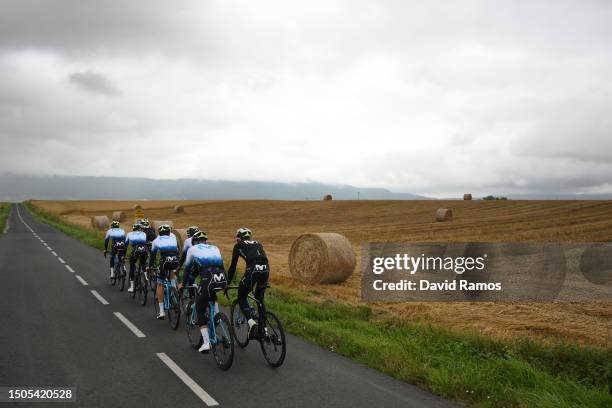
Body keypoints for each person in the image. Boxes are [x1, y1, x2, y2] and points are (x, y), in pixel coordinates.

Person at [180, 231, 227, 353]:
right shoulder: (214, 247)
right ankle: (217, 318)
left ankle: (206, 342)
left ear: (194, 241)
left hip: (208, 279)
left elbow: (187, 270)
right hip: (222, 278)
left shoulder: (192, 249)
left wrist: (182, 285)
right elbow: (221, 265)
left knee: (200, 308)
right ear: (205, 240)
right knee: (212, 294)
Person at [226, 227, 269, 339]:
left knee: (242, 296)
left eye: (237, 238)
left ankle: (252, 323)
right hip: (266, 269)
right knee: (260, 298)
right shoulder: (258, 243)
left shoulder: (238, 245)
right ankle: (264, 329)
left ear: (239, 238)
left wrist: (227, 283)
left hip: (253, 269)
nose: (237, 241)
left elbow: (232, 267)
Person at [148, 224, 179, 319]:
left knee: (160, 284)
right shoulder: (173, 238)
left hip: (165, 261)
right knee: (172, 273)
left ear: (159, 233)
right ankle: (174, 292)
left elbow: (153, 256)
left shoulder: (156, 240)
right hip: (176, 260)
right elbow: (178, 251)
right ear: (169, 233)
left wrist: (149, 267)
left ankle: (161, 311)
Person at [125, 223, 148, 293]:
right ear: (139, 229)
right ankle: (146, 277)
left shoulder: (129, 234)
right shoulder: (144, 234)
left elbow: (125, 245)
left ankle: (132, 287)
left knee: (132, 266)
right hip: (144, 249)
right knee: (143, 263)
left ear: (133, 229)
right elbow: (145, 242)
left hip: (136, 250)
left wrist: (123, 255)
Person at [178, 226, 199, 298]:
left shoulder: (187, 241)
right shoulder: (202, 239)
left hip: (194, 264)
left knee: (190, 279)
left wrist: (179, 267)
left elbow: (183, 256)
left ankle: (192, 299)